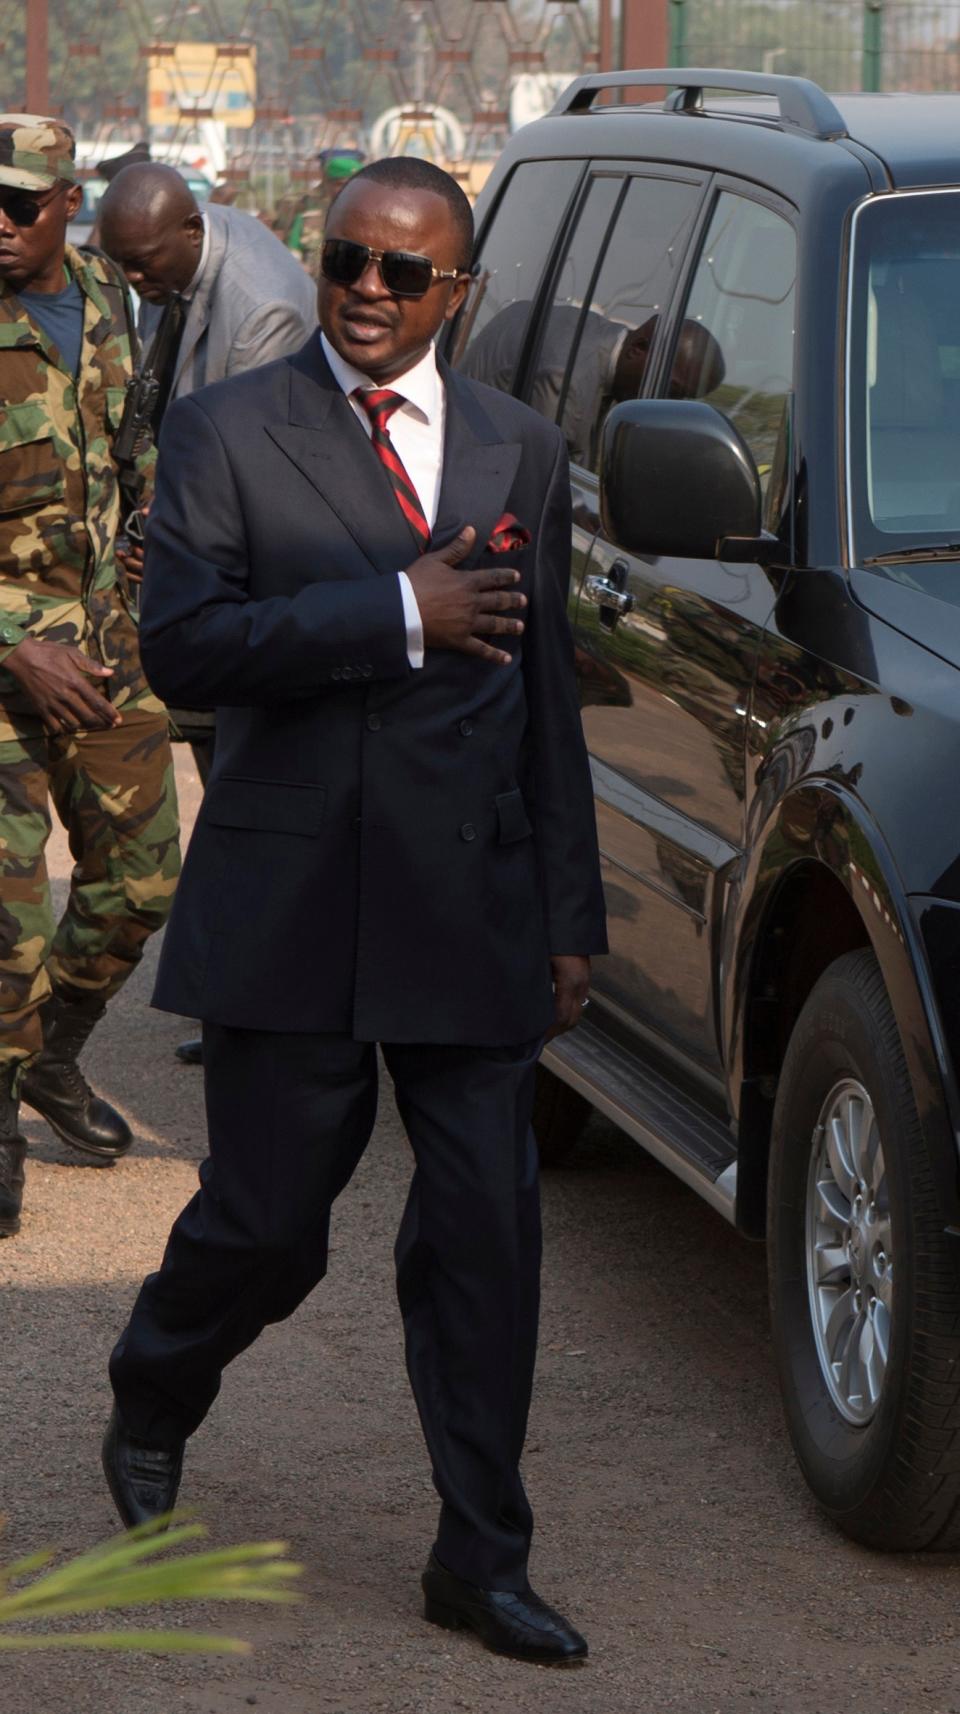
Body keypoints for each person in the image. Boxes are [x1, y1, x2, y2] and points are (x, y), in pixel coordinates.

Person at [102, 157, 607, 1666]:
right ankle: (155, 1377)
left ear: (460, 292)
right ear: (316, 267)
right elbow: (186, 647)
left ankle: (481, 1552)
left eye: (404, 272)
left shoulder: (520, 448)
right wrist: (398, 613)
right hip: (293, 897)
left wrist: (567, 913)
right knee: (272, 1227)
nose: (367, 294)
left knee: (484, 1241)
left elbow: (550, 700)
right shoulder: (226, 431)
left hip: (474, 904)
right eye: (344, 263)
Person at [0, 116, 180, 1237]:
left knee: (141, 882)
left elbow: (133, 458)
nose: (0, 223)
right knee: (6, 927)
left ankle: (51, 1058)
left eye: (22, 204)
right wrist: (16, 642)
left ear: (69, 202)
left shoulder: (108, 301)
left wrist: (145, 563)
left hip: (106, 650)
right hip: (8, 663)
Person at [98, 161, 319, 1062]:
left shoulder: (262, 308)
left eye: (147, 267)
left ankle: (256, 1001)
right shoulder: (174, 254)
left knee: (248, 799)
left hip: (252, 583)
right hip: (194, 558)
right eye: (128, 270)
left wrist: (174, 543)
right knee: (225, 789)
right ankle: (238, 993)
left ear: (189, 233)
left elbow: (251, 475)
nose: (139, 286)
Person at [461, 300, 725, 470]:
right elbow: (545, 480)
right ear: (639, 349)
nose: (665, 405)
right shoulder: (566, 381)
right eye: (672, 391)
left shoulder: (600, 343)